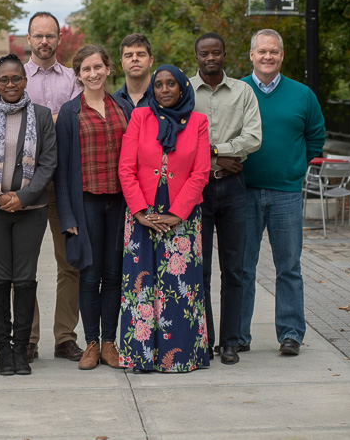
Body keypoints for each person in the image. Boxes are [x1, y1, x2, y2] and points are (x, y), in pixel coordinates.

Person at [0, 53, 57, 376]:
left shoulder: (43, 117)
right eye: (3, 80)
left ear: (25, 81)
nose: (9, 85)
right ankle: (4, 349)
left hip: (30, 211)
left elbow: (48, 163)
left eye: (15, 79)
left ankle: (22, 349)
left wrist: (22, 197)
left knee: (25, 279)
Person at [118, 64, 210, 373]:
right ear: (152, 90)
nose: (165, 89)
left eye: (172, 84)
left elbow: (200, 173)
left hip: (182, 219)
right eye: (159, 85)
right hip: (142, 215)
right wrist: (141, 213)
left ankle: (181, 357)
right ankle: (140, 356)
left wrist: (176, 214)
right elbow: (126, 169)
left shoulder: (198, 122)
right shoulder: (140, 118)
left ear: (183, 88)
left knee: (179, 288)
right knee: (141, 289)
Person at [239, 29, 325, 356]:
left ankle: (290, 334)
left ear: (282, 56)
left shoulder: (302, 95)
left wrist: (295, 168)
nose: (268, 57)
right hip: (243, 192)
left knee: (288, 267)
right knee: (242, 268)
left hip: (286, 193)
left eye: (274, 52)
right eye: (262, 51)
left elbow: (316, 136)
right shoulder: (238, 91)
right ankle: (238, 335)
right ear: (251, 55)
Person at [55, 45, 133, 370]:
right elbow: (61, 172)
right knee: (89, 274)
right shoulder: (70, 113)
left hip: (119, 203)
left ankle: (110, 343)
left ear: (107, 68)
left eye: (98, 67)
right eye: (86, 69)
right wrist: (67, 215)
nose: (93, 74)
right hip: (85, 202)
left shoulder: (124, 107)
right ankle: (90, 343)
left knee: (114, 274)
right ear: (78, 75)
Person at [190, 33, 262, 365]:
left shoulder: (244, 92)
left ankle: (230, 342)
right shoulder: (185, 90)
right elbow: (180, 139)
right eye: (204, 53)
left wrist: (217, 151)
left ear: (224, 55)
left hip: (234, 187)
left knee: (234, 269)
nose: (210, 58)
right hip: (197, 188)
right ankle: (204, 340)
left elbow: (253, 137)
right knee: (199, 269)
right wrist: (216, 157)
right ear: (197, 56)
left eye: (216, 52)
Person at [24, 11, 83, 363]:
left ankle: (65, 337)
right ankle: (28, 338)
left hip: (64, 183)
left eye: (50, 36)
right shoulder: (15, 77)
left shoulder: (74, 79)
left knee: (70, 264)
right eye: (38, 35)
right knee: (25, 266)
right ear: (28, 39)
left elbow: (79, 117)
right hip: (29, 184)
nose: (44, 41)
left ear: (59, 39)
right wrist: (58, 119)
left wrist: (43, 119)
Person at [113, 33, 154, 107]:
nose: (134, 59)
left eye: (141, 54)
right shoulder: (113, 103)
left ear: (151, 61)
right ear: (122, 63)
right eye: (128, 56)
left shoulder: (163, 98)